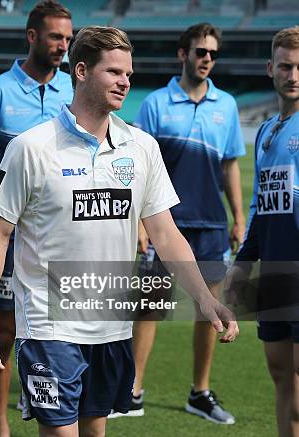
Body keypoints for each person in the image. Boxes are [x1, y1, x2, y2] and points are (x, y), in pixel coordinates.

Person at [0, 25, 239, 437]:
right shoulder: (30, 147)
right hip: (48, 326)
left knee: (95, 432)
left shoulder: (141, 147)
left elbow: (165, 233)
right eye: (113, 72)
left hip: (111, 325)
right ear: (81, 70)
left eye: (127, 73)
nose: (125, 81)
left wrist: (203, 297)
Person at [126, 22, 245, 424]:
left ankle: (200, 392)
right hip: (165, 223)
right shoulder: (156, 104)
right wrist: (141, 222)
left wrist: (239, 217)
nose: (206, 59)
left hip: (211, 223)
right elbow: (140, 167)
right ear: (183, 54)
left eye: (212, 53)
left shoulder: (226, 106)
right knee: (149, 308)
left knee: (208, 309)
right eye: (200, 52)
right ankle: (133, 391)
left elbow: (230, 164)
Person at [0, 0, 73, 431]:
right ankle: (1, 426)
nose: (63, 45)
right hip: (7, 233)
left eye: (68, 38)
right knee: (5, 331)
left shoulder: (72, 91)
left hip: (60, 234)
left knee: (65, 330)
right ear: (32, 37)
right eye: (55, 37)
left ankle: (60, 416)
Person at [228, 26, 299, 437]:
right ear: (271, 68)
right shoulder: (267, 132)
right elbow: (263, 209)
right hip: (273, 275)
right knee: (280, 374)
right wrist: (241, 267)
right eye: (286, 66)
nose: (293, 74)